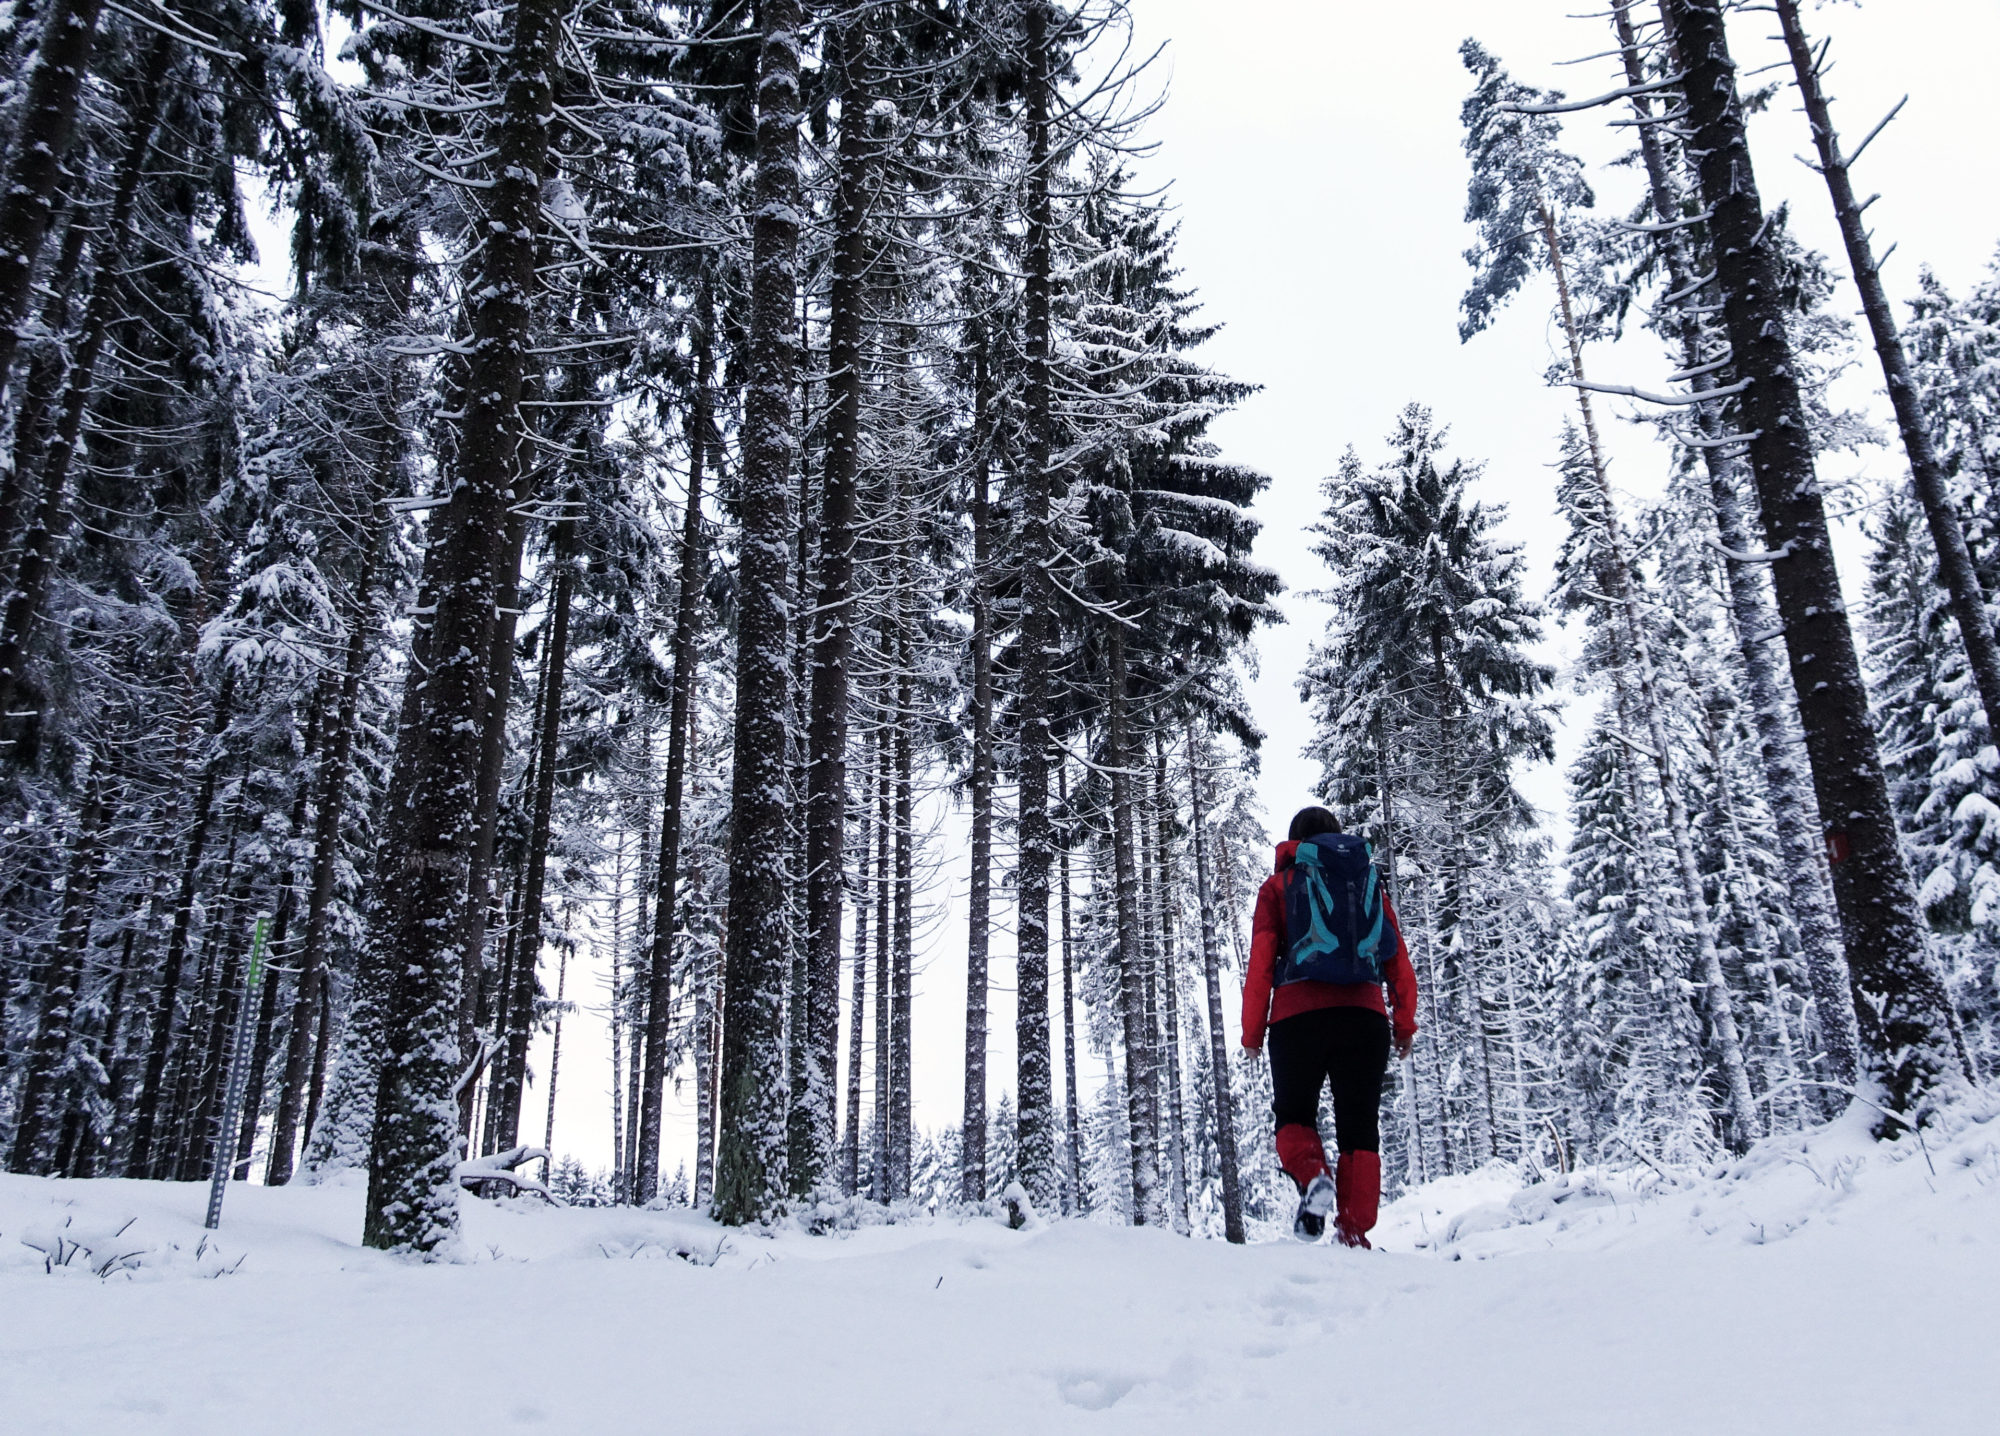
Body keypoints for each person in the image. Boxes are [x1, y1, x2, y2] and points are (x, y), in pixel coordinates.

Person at [1242, 806, 1417, 1246]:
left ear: (1295, 841)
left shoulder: (1278, 886)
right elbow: (1397, 956)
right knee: (1359, 1126)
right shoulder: (1366, 882)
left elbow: (1262, 962)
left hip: (1297, 1018)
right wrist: (1405, 1022)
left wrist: (1252, 1032)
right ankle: (1354, 1233)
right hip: (1365, 1017)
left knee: (1294, 1117)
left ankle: (1312, 1175)